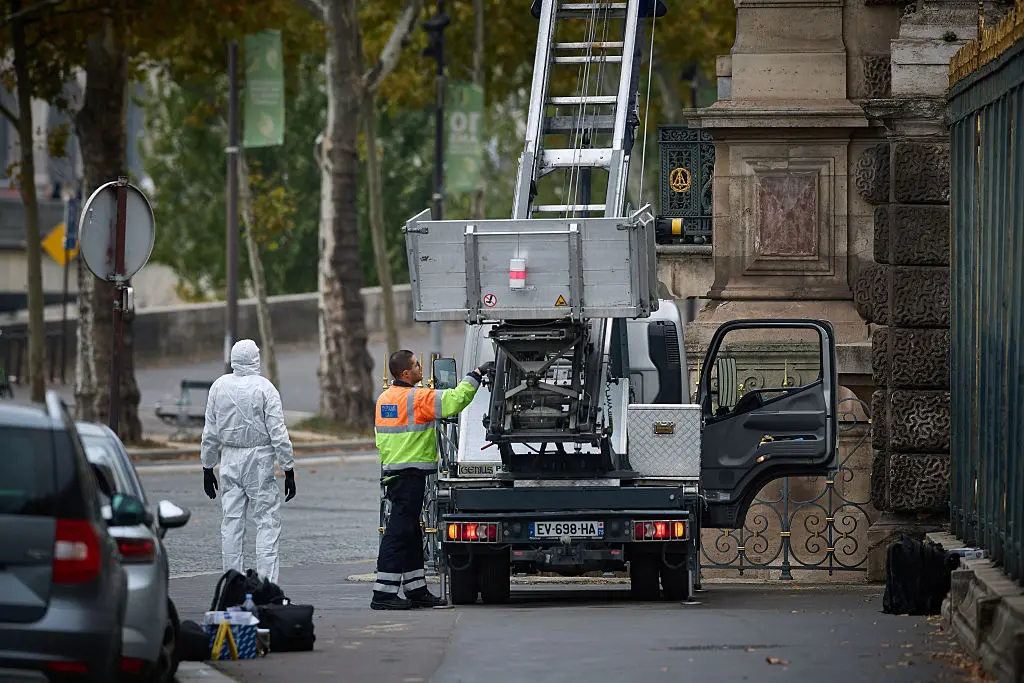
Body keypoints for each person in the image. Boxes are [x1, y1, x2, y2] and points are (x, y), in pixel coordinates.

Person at [372, 350, 494, 610]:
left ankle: (416, 590)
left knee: (411, 532)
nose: (421, 369)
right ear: (406, 373)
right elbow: (454, 400)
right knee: (399, 533)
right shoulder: (417, 398)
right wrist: (477, 374)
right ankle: (383, 594)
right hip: (410, 474)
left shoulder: (385, 398)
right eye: (417, 365)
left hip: (395, 473)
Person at [200, 339, 296, 585]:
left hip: (229, 457)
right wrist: (288, 468)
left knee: (231, 522)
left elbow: (210, 430)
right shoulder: (265, 388)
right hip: (260, 458)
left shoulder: (219, 387)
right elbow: (278, 432)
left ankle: (232, 585)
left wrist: (207, 465)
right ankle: (267, 586)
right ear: (256, 358)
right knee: (266, 521)